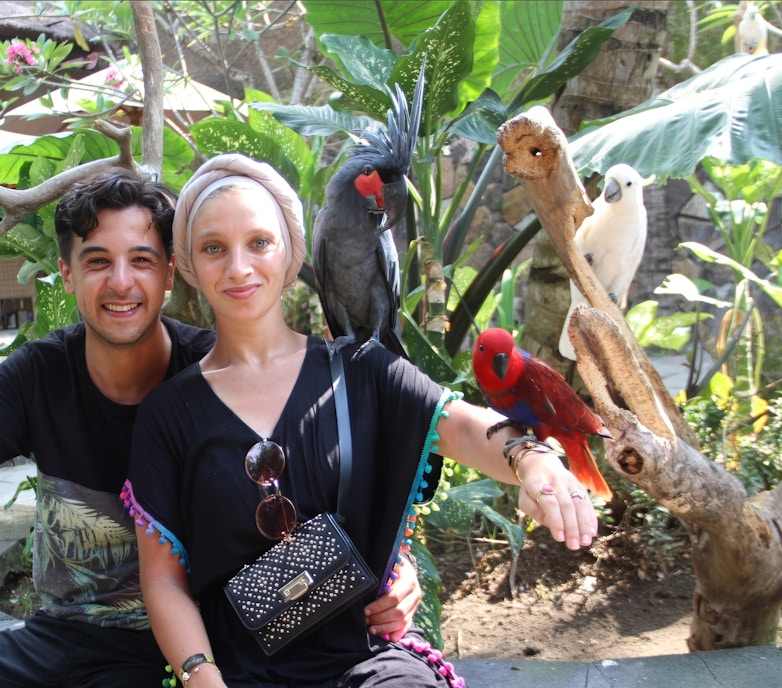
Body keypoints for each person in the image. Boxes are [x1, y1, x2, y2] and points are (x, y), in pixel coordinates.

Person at [0, 166, 422, 688]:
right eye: (97, 262)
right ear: (65, 275)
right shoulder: (38, 376)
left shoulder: (216, 379)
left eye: (141, 260)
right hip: (63, 638)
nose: (121, 282)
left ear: (170, 274)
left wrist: (396, 569)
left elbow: (323, 492)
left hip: (196, 651)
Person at [124, 154, 599, 688]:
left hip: (367, 657)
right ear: (187, 260)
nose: (238, 268)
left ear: (289, 254)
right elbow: (163, 581)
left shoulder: (361, 370)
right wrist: (201, 676)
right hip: (235, 669)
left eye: (259, 242)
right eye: (214, 248)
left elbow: (462, 425)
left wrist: (531, 459)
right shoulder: (168, 415)